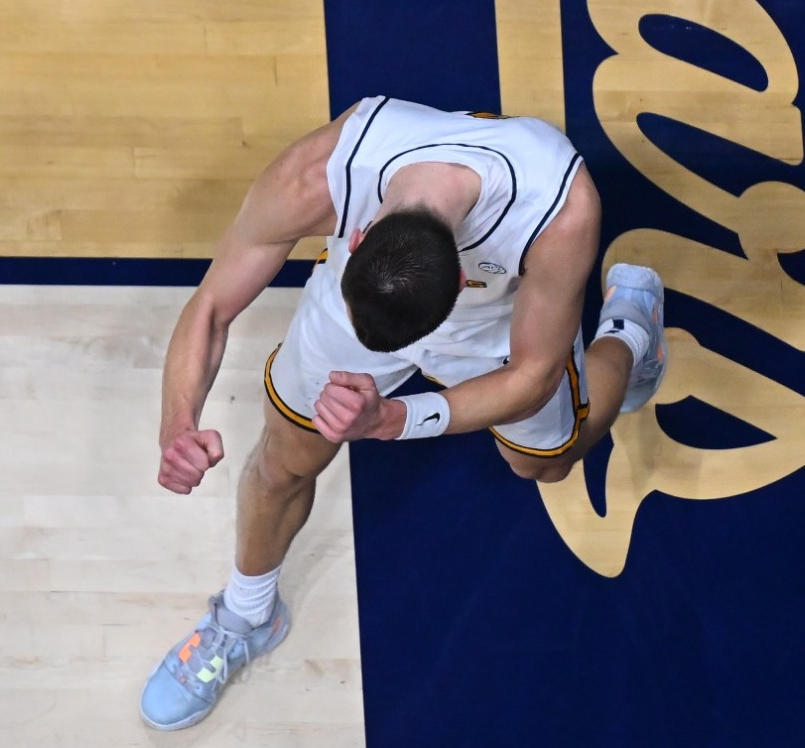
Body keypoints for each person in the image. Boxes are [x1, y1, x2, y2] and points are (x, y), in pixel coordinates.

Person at [138, 95, 669, 730]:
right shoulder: (317, 175)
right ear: (354, 235)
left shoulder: (561, 211)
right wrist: (178, 425)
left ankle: (632, 333)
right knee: (285, 460)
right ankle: (247, 615)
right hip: (358, 298)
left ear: (462, 283)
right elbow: (210, 307)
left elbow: (530, 376)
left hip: (493, 324)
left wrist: (397, 418)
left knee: (543, 462)